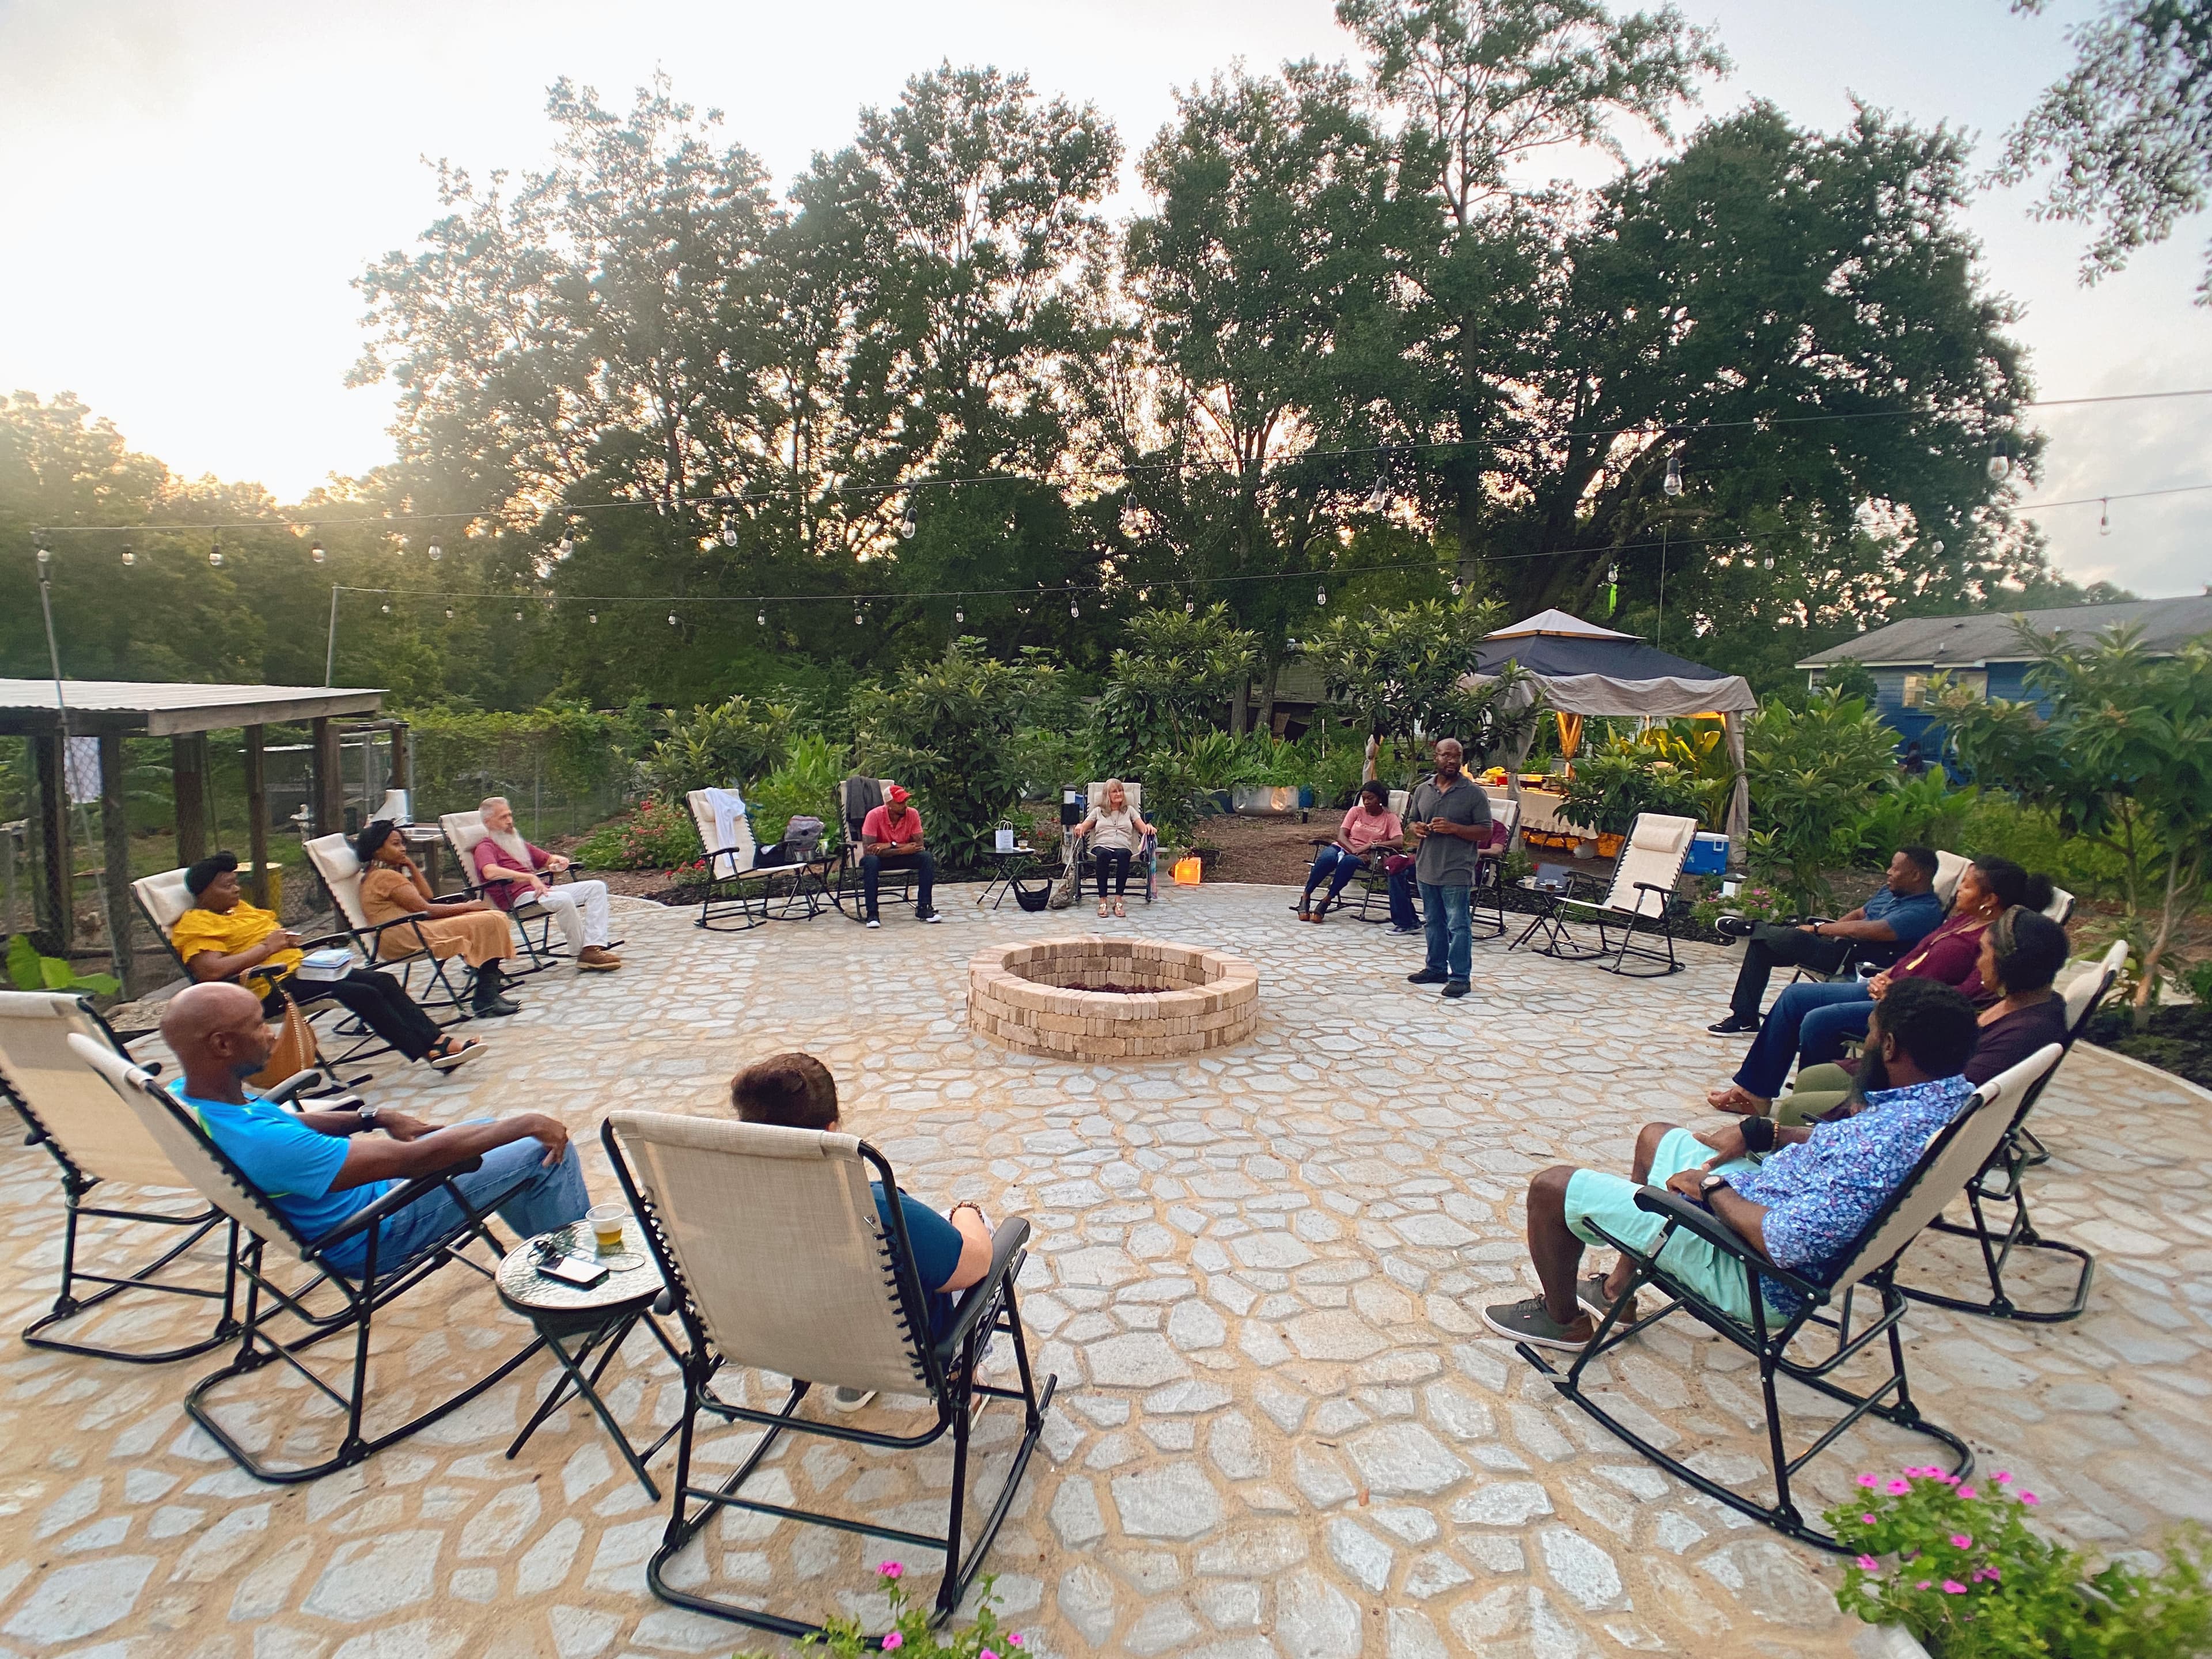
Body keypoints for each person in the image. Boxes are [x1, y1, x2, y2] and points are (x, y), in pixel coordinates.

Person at [1480, 978, 1981, 1351]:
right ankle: (1617, 1291)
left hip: (1753, 1271)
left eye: (1871, 1035)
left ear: (1890, 1047)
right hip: (1764, 1204)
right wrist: (1769, 1133)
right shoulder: (1943, 1103)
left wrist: (1712, 1188)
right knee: (1656, 1137)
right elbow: (1841, 1146)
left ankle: (1563, 1320)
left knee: (1552, 1187)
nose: (1866, 1045)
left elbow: (1782, 1242)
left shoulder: (1882, 1144)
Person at [160, 981, 586, 1276]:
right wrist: (527, 1122)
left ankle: (548, 1257)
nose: (272, 1035)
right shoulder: (265, 1146)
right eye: (257, 1024)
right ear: (222, 1044)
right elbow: (415, 1161)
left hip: (355, 1214)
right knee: (540, 1147)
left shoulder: (192, 1099)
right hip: (376, 1232)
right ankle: (581, 1285)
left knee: (490, 1132)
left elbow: (280, 1119)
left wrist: (373, 1117)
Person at [730, 1052, 989, 1408]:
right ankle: (961, 1376)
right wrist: (968, 1211)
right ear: (831, 1132)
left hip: (786, 1342)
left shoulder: (725, 1209)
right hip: (898, 1349)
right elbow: (976, 1266)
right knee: (975, 1235)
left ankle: (853, 1377)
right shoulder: (874, 1211)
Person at [1706, 857, 2046, 1117]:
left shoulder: (1995, 942)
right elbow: (1917, 953)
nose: (1959, 891)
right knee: (1796, 997)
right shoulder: (1963, 919)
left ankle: (1816, 1106)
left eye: (1967, 888)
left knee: (1819, 1020)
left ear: (1990, 898)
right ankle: (1755, 1093)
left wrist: (1897, 994)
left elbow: (1966, 995)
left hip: (1913, 1011)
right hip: (1889, 987)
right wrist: (1888, 975)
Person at [172, 853, 482, 1073]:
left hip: (300, 971)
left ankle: (439, 1040)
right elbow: (210, 971)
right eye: (227, 886)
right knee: (362, 993)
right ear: (205, 892)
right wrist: (267, 949)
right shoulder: (196, 923)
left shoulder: (239, 909)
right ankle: (429, 1053)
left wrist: (284, 942)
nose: (237, 889)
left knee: (382, 981)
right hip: (267, 988)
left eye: (236, 882)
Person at [1775, 907, 2072, 1126]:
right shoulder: (2020, 1002)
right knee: (1813, 1077)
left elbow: (1954, 1098)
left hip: (1917, 1112)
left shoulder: (2028, 1031)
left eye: (1984, 953)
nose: (1979, 962)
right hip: (1916, 1081)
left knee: (1793, 1111)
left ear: (2009, 963)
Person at [1705, 846, 1944, 1036]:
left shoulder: (1923, 912)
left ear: (1916, 875)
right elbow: (1860, 914)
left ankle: (1750, 927)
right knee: (1762, 945)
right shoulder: (1891, 891)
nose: (1888, 873)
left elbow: (1870, 929)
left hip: (1857, 961)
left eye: (1895, 869)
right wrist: (1832, 931)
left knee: (1794, 936)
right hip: (1839, 947)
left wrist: (1819, 929)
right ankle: (1744, 1018)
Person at [353, 820, 522, 1018]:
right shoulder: (384, 877)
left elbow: (427, 896)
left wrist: (410, 865)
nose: (403, 849)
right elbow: (427, 909)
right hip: (406, 936)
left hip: (401, 932)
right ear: (377, 849)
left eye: (403, 844)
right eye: (395, 844)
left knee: (489, 918)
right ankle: (486, 996)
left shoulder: (378, 875)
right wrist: (467, 906)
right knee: (491, 920)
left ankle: (488, 993)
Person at [470, 796, 622, 972]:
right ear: (488, 822)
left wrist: (560, 861)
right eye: (503, 817)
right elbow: (490, 871)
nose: (510, 821)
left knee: (597, 887)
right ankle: (582, 953)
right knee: (563, 898)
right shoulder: (485, 847)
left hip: (541, 892)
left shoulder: (515, 843)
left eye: (510, 815)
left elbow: (548, 859)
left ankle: (592, 947)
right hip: (518, 899)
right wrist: (529, 878)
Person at [1404, 738, 1493, 999]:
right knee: (1433, 922)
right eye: (1446, 755)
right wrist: (1416, 828)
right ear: (1436, 757)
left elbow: (1485, 831)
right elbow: (1411, 821)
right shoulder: (1423, 790)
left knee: (1458, 925)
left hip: (1457, 869)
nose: (1452, 760)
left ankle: (1460, 978)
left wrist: (1454, 828)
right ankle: (1436, 969)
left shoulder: (1474, 794)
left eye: (1457, 756)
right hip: (1427, 867)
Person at [1297, 780, 1405, 923]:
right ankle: (1305, 897)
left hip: (1369, 855)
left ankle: (1327, 900)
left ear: (1380, 798)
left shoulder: (1390, 818)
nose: (1366, 802)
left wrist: (1371, 845)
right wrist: (1356, 851)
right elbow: (1342, 836)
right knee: (1327, 858)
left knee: (1349, 861)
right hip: (1345, 847)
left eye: (1370, 798)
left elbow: (1399, 842)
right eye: (1364, 798)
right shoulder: (1356, 811)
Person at [1069, 780, 1154, 919]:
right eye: (1115, 791)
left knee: (1124, 855)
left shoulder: (1130, 811)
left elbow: (1143, 828)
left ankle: (1118, 900)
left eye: (1121, 791)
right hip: (1102, 846)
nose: (1119, 794)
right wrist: (1080, 826)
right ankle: (1103, 900)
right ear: (1107, 795)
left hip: (1123, 846)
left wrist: (1149, 827)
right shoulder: (1099, 811)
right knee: (1103, 855)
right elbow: (1085, 825)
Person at [858, 785, 940, 928]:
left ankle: (924, 907)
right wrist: (900, 847)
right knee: (871, 861)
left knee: (926, 857)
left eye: (905, 801)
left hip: (900, 857)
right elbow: (869, 850)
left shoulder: (912, 814)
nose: (904, 805)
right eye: (900, 802)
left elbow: (918, 846)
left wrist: (887, 846)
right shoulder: (874, 815)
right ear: (889, 804)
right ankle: (872, 913)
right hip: (880, 860)